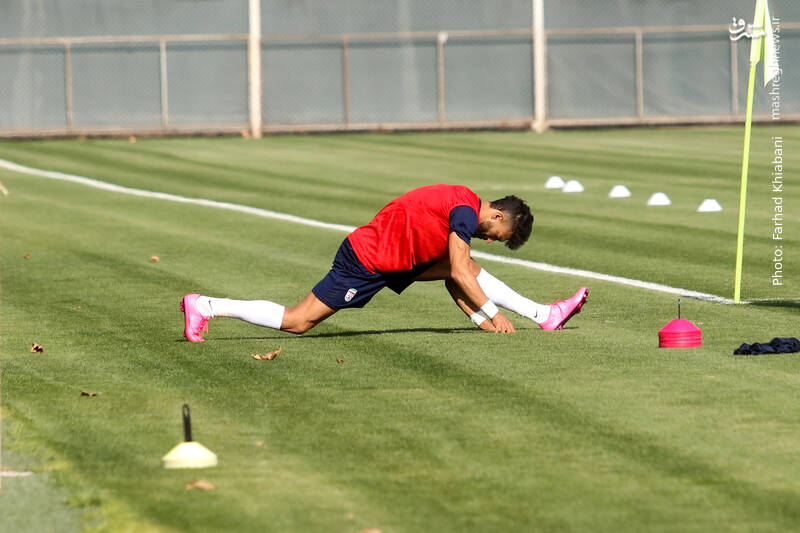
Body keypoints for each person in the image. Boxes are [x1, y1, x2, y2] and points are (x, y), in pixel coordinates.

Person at [180, 184, 588, 341]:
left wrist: (478, 319)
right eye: (498, 234)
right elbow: (459, 271)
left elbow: (454, 275)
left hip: (392, 260)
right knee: (298, 321)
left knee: (465, 267)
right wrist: (493, 315)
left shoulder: (461, 203)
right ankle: (206, 306)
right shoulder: (464, 213)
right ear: (496, 215)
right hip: (365, 262)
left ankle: (544, 315)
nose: (492, 240)